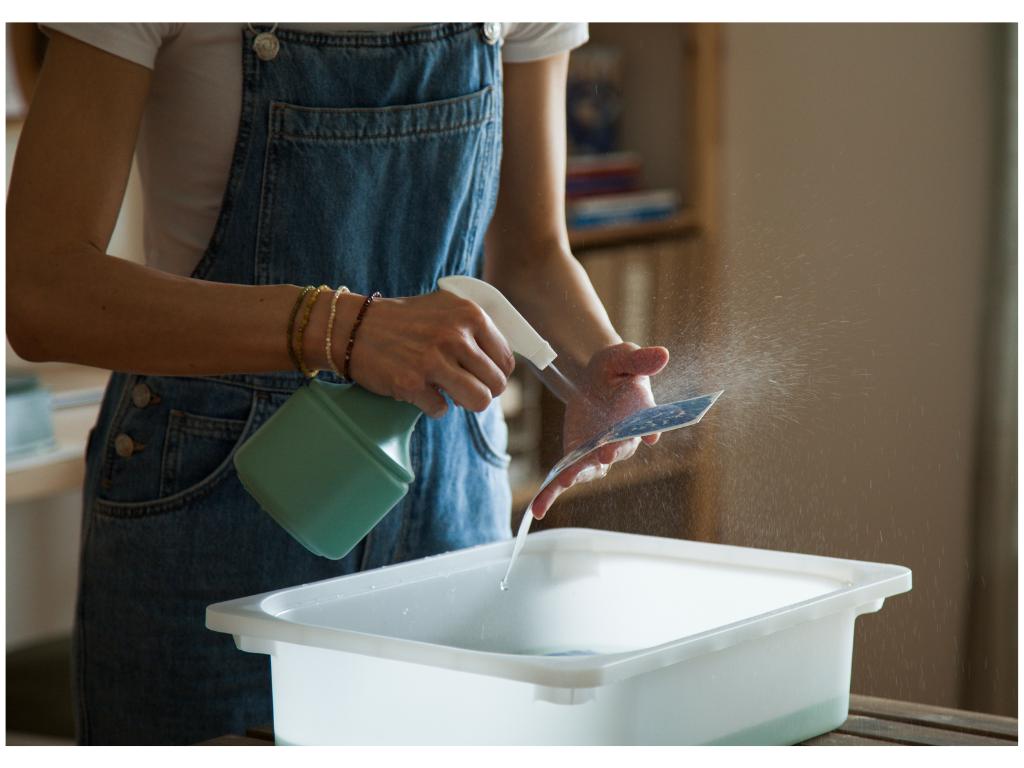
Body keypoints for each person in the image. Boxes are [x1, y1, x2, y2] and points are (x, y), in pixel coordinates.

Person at [6, 22, 670, 744]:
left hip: (446, 501)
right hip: (214, 505)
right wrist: (344, 328)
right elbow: (41, 291)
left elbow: (533, 252)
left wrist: (596, 362)